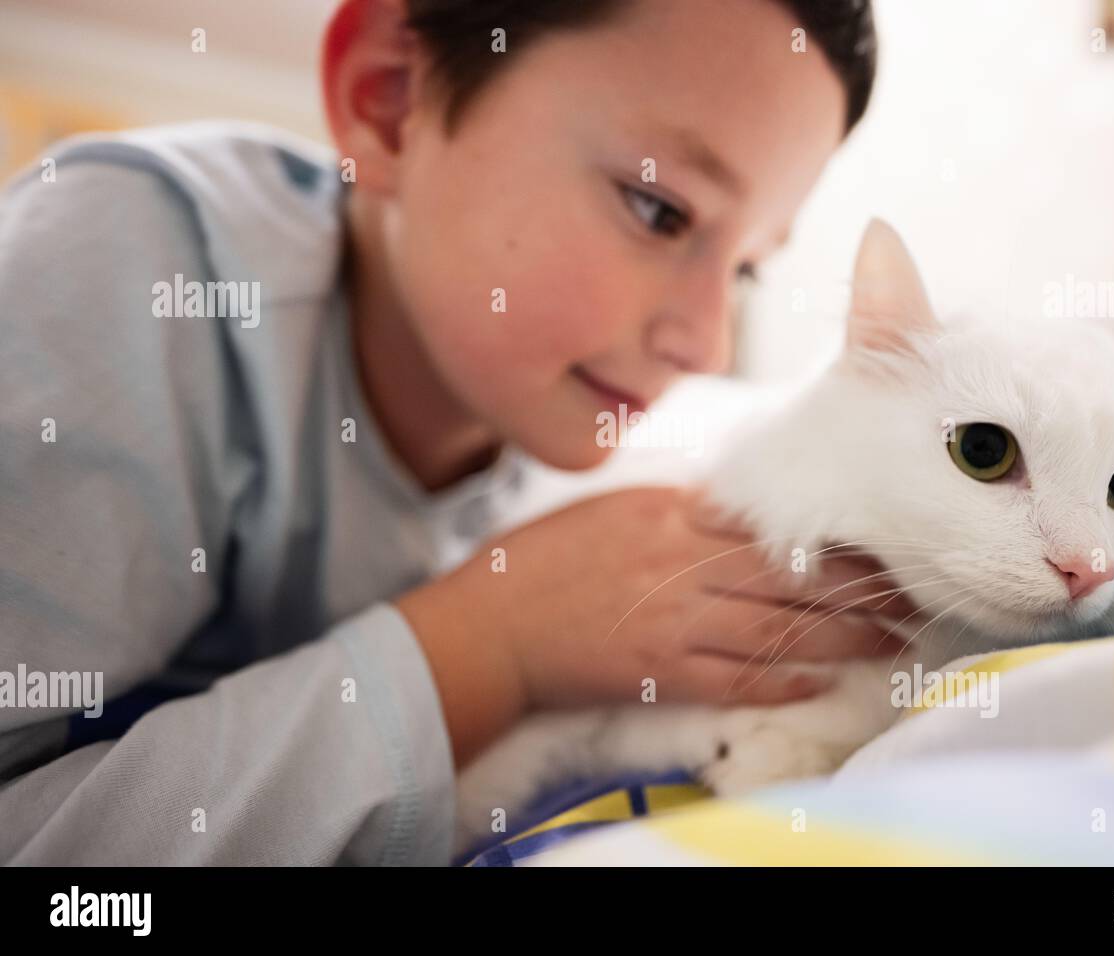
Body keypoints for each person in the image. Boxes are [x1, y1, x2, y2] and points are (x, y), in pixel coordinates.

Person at [0, 0, 902, 865]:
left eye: (745, 269)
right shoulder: (124, 262)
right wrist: (485, 645)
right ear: (391, 96)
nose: (706, 346)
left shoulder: (533, 430)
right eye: (658, 209)